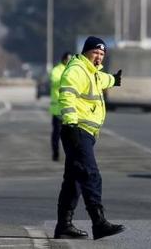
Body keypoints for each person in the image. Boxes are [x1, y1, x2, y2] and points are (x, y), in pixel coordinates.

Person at [53, 36, 125, 240]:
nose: (99, 57)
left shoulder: (93, 72)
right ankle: (99, 222)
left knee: (74, 180)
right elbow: (67, 95)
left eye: (102, 54)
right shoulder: (77, 69)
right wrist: (71, 124)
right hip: (77, 130)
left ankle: (63, 225)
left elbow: (102, 79)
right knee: (91, 174)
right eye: (96, 53)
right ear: (86, 52)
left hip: (86, 133)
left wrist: (114, 80)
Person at [49, 52, 73, 161]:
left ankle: (70, 155)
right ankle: (55, 153)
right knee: (56, 134)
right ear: (63, 59)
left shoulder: (73, 70)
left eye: (70, 59)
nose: (69, 61)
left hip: (70, 109)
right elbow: (54, 82)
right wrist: (66, 77)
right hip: (57, 109)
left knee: (70, 135)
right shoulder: (56, 70)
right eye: (68, 59)